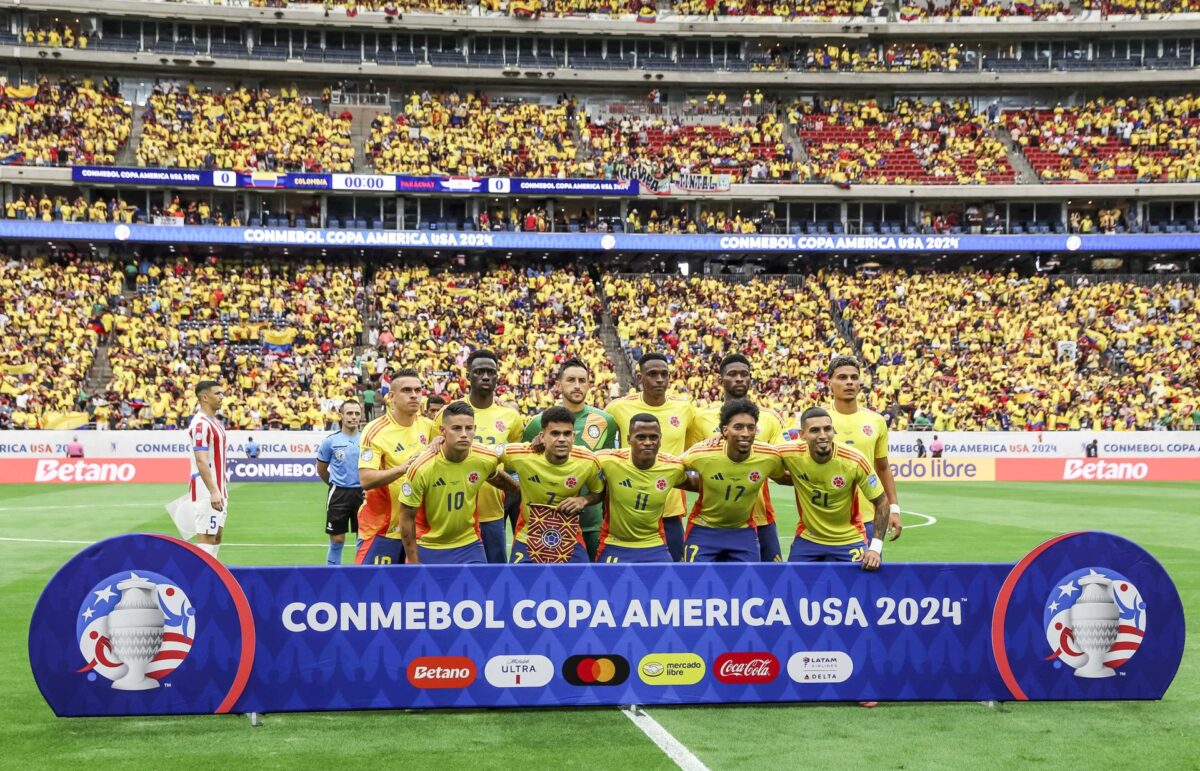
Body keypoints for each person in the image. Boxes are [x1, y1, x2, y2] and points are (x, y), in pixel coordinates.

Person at [689, 353, 787, 561]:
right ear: (720, 380)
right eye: (733, 374)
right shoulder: (701, 418)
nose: (739, 378)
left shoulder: (770, 418)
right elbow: (689, 466)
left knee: (768, 576)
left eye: (744, 374)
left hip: (761, 516)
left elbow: (782, 463)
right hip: (714, 521)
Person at [432, 349, 526, 564]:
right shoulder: (448, 413)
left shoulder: (510, 417)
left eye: (490, 372)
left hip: (492, 512)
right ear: (468, 375)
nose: (485, 377)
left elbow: (515, 457)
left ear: (497, 376)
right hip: (454, 512)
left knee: (495, 574)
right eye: (479, 371)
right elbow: (434, 455)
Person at [394, 402, 515, 564]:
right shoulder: (422, 467)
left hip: (469, 545)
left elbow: (496, 475)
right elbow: (406, 517)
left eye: (469, 428)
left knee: (480, 581)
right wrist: (413, 560)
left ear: (475, 429)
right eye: (456, 428)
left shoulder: (485, 457)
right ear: (442, 431)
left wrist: (521, 490)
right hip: (429, 545)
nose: (464, 434)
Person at [522, 358, 618, 561]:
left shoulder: (606, 421)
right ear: (559, 385)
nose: (577, 385)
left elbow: (608, 472)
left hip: (591, 520)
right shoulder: (538, 423)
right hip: (548, 523)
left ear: (589, 385)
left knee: (592, 576)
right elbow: (520, 470)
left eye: (582, 380)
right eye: (571, 380)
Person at [605, 352, 696, 561]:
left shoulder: (685, 409)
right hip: (628, 511)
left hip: (670, 509)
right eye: (653, 374)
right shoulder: (617, 408)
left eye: (664, 374)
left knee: (673, 573)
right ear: (640, 378)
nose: (660, 379)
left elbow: (692, 449)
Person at [779, 407, 888, 569]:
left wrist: (875, 548)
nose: (823, 435)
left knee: (861, 583)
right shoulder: (789, 453)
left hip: (849, 538)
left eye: (827, 429)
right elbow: (763, 459)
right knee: (792, 582)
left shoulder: (854, 460)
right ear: (802, 435)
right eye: (815, 430)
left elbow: (882, 502)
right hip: (808, 538)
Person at [500, 406, 604, 564]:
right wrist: (512, 486)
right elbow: (486, 457)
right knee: (520, 580)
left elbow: (598, 492)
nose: (562, 439)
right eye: (555, 433)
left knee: (583, 579)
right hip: (528, 537)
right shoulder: (522, 454)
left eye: (567, 434)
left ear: (573, 437)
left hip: (569, 538)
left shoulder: (588, 461)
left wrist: (583, 500)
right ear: (542, 436)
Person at [357, 369, 434, 565]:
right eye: (407, 390)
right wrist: (404, 468)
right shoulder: (375, 430)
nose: (414, 395)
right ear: (391, 396)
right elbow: (366, 479)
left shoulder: (429, 426)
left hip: (420, 531)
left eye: (418, 390)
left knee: (418, 584)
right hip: (382, 530)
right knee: (371, 584)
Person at [596, 414, 694, 563]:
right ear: (629, 439)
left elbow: (696, 483)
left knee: (670, 578)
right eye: (641, 437)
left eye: (653, 437)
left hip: (654, 543)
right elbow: (580, 459)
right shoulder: (609, 460)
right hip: (614, 542)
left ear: (660, 439)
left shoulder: (673, 467)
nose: (648, 442)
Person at [826, 357, 902, 543]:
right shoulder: (818, 419)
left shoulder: (876, 421)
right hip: (825, 517)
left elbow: (882, 467)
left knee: (870, 561)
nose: (849, 382)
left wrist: (894, 509)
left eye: (854, 377)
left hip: (868, 517)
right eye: (842, 377)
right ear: (830, 383)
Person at [316, 399, 363, 566]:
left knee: (362, 539)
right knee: (337, 540)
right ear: (341, 415)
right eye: (349, 413)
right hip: (338, 494)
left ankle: (361, 575)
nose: (353, 417)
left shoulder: (367, 440)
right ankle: (332, 574)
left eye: (357, 413)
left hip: (363, 494)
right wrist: (335, 484)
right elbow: (321, 469)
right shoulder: (330, 441)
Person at [188, 380, 229, 559]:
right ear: (204, 398)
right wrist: (213, 491)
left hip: (219, 488)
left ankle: (213, 573)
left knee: (216, 536)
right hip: (207, 490)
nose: (222, 397)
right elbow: (201, 459)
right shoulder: (200, 424)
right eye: (217, 393)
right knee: (207, 539)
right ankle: (203, 575)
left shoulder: (214, 422)